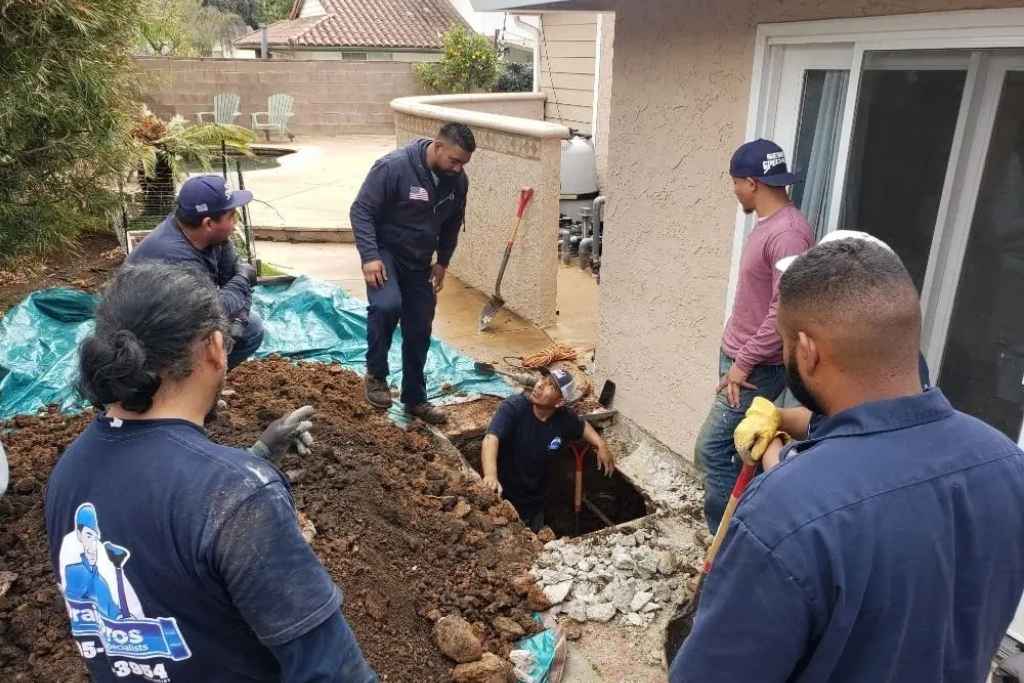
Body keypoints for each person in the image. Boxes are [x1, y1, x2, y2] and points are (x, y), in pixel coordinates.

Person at [670, 238, 1024, 682]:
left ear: (807, 350)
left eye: (782, 342)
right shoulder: (1007, 464)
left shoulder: (781, 517)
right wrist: (781, 424)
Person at [45, 263, 377, 682]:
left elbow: (164, 538)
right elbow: (332, 671)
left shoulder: (68, 472)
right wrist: (247, 477)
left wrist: (258, 453)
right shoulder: (239, 496)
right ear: (215, 348)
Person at [734, 230, 932, 470]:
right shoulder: (893, 368)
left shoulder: (866, 442)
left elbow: (797, 491)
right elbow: (821, 422)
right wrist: (779, 417)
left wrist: (771, 445)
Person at [694, 139, 813, 534]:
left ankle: (728, 542)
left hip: (756, 367)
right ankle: (734, 533)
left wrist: (742, 362)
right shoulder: (770, 226)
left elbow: (784, 310)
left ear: (751, 183)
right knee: (733, 451)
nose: (734, 190)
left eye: (735, 183)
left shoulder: (788, 234)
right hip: (740, 358)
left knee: (712, 450)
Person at [351, 123, 475, 425]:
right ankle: (376, 376)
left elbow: (451, 225)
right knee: (386, 305)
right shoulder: (393, 167)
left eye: (463, 164)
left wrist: (442, 262)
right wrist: (370, 257)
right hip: (386, 254)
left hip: (420, 260)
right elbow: (361, 211)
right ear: (438, 146)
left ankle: (415, 398)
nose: (458, 169)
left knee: (420, 326)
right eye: (454, 161)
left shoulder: (457, 181)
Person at [128, 175, 262, 369]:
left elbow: (234, 275)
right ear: (208, 223)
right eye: (232, 216)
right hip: (143, 343)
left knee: (248, 329)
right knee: (232, 332)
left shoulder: (210, 237)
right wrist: (242, 280)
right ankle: (176, 390)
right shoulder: (173, 258)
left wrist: (239, 317)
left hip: (180, 319)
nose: (235, 224)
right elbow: (215, 309)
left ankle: (203, 382)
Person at [480, 367, 615, 532]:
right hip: (503, 498)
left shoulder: (564, 418)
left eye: (550, 385)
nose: (539, 385)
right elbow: (491, 438)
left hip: (535, 503)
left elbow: (581, 425)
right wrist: (490, 475)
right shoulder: (514, 407)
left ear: (559, 402)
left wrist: (600, 444)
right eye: (542, 379)